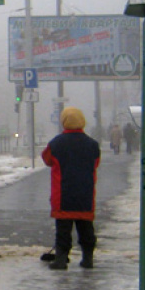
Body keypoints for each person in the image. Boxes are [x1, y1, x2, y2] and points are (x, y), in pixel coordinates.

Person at [41, 106, 101, 270]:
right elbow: (96, 163)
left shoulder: (56, 143)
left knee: (63, 229)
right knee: (86, 228)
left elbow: (47, 160)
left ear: (64, 121)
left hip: (63, 194)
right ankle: (87, 259)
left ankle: (61, 259)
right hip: (85, 193)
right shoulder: (92, 144)